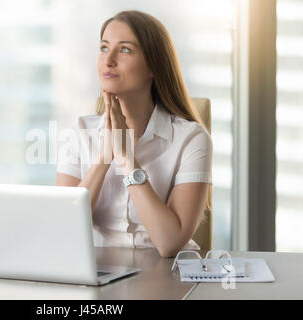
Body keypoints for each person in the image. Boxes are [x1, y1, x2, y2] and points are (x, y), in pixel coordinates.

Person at [55, 10, 213, 258]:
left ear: (154, 66)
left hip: (166, 279)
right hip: (96, 275)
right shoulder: (79, 133)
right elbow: (60, 230)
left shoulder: (192, 139)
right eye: (104, 48)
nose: (108, 60)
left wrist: (127, 160)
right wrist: (104, 159)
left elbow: (169, 243)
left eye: (125, 50)